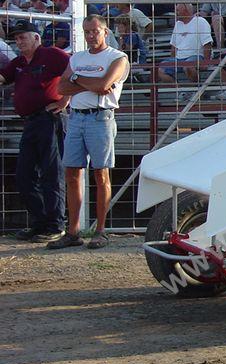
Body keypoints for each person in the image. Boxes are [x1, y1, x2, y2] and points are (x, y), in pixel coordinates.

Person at [51, 15, 129, 250]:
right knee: (72, 172)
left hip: (100, 117)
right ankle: (73, 231)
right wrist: (88, 82)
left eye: (94, 31)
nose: (90, 36)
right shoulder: (77, 58)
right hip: (77, 117)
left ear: (105, 31)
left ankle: (101, 230)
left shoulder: (117, 57)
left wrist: (77, 80)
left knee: (100, 174)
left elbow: (104, 86)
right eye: (86, 32)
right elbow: (61, 87)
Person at [0, 22, 70, 244]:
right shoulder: (19, 62)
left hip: (49, 119)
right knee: (24, 175)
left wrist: (65, 99)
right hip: (30, 122)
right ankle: (40, 222)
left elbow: (75, 72)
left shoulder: (52, 55)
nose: (19, 42)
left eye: (23, 37)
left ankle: (56, 225)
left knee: (51, 173)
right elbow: (3, 77)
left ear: (37, 38)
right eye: (17, 38)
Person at [157, 2, 213, 84]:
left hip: (196, 56)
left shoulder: (200, 21)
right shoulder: (177, 24)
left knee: (188, 66)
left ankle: (196, 90)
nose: (175, 13)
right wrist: (173, 59)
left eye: (177, 10)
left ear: (185, 11)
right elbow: (174, 47)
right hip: (179, 58)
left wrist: (206, 62)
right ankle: (179, 91)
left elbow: (207, 43)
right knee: (160, 69)